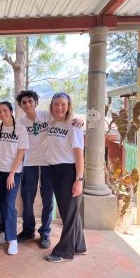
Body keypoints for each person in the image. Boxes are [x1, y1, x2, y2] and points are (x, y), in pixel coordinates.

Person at [45, 92, 86, 262]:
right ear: (51, 106)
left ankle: (64, 252)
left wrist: (79, 179)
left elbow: (79, 154)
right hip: (53, 170)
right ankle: (79, 245)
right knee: (70, 211)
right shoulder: (50, 121)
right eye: (56, 104)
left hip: (68, 172)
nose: (59, 107)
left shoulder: (74, 126)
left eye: (63, 104)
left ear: (68, 106)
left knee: (67, 213)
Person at [16, 90, 54, 249]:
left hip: (48, 162)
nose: (27, 104)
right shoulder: (20, 123)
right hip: (29, 163)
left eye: (30, 101)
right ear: (21, 105)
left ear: (36, 102)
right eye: (24, 102)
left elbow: (64, 120)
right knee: (27, 198)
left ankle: (45, 233)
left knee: (47, 200)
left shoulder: (47, 116)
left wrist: (76, 121)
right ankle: (28, 230)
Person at [0, 101, 29, 255]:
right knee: (1, 203)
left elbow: (21, 153)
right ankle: (4, 232)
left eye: (5, 110)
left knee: (9, 204)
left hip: (13, 172)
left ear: (11, 111)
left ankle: (12, 239)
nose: (2, 114)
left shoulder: (21, 129)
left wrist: (12, 174)